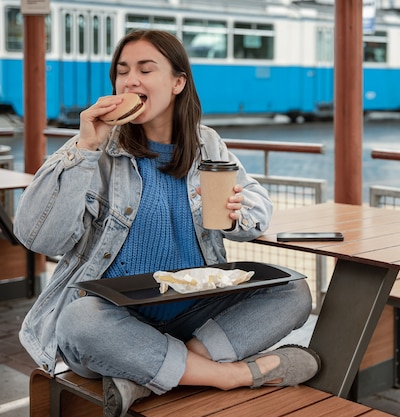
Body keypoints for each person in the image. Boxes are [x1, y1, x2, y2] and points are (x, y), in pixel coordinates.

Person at [14, 30, 320, 417]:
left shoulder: (206, 143)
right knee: (78, 319)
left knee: (292, 291)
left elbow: (257, 209)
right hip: (112, 321)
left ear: (178, 82)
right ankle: (231, 375)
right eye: (122, 71)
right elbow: (39, 237)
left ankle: (147, 377)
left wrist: (237, 212)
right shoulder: (96, 149)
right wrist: (83, 148)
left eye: (146, 69)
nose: (130, 81)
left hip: (190, 316)